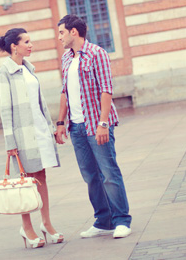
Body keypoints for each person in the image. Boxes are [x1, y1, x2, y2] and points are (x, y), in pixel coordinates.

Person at [54, 14, 132, 239]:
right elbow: (64, 92)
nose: (59, 37)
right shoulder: (66, 58)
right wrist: (61, 122)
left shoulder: (97, 53)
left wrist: (103, 123)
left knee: (109, 172)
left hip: (96, 124)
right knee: (90, 176)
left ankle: (121, 220)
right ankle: (103, 220)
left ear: (73, 32)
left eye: (61, 32)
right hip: (76, 127)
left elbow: (106, 89)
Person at [0, 27, 64, 249]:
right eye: (26, 41)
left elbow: (39, 102)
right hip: (22, 135)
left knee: (41, 176)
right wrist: (10, 143)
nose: (30, 45)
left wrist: (51, 127)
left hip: (40, 131)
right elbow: (5, 110)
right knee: (25, 181)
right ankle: (26, 227)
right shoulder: (5, 72)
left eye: (30, 41)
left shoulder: (28, 68)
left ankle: (46, 224)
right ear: (14, 46)